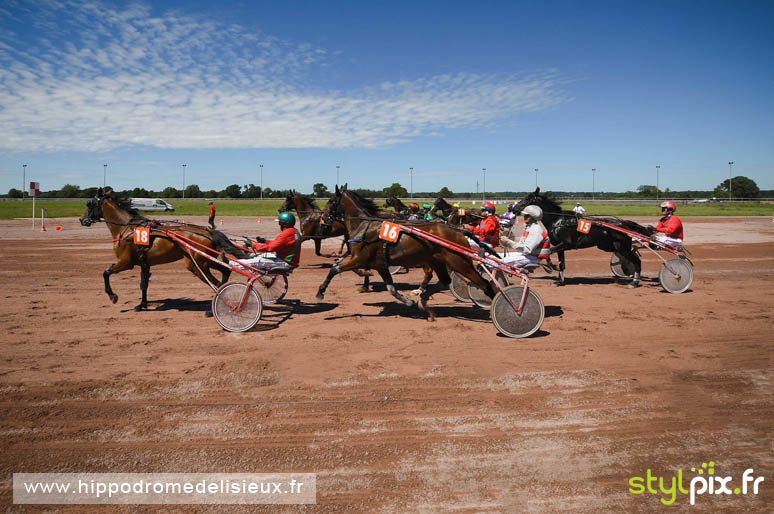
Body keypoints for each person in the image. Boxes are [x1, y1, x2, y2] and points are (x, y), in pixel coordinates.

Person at [231, 212, 301, 270]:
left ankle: (230, 263)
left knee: (256, 261)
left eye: (280, 223)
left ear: (284, 224)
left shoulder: (286, 234)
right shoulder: (293, 231)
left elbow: (270, 248)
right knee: (264, 255)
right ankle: (249, 255)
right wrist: (265, 241)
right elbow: (279, 243)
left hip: (284, 263)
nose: (279, 225)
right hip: (288, 260)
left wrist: (253, 245)